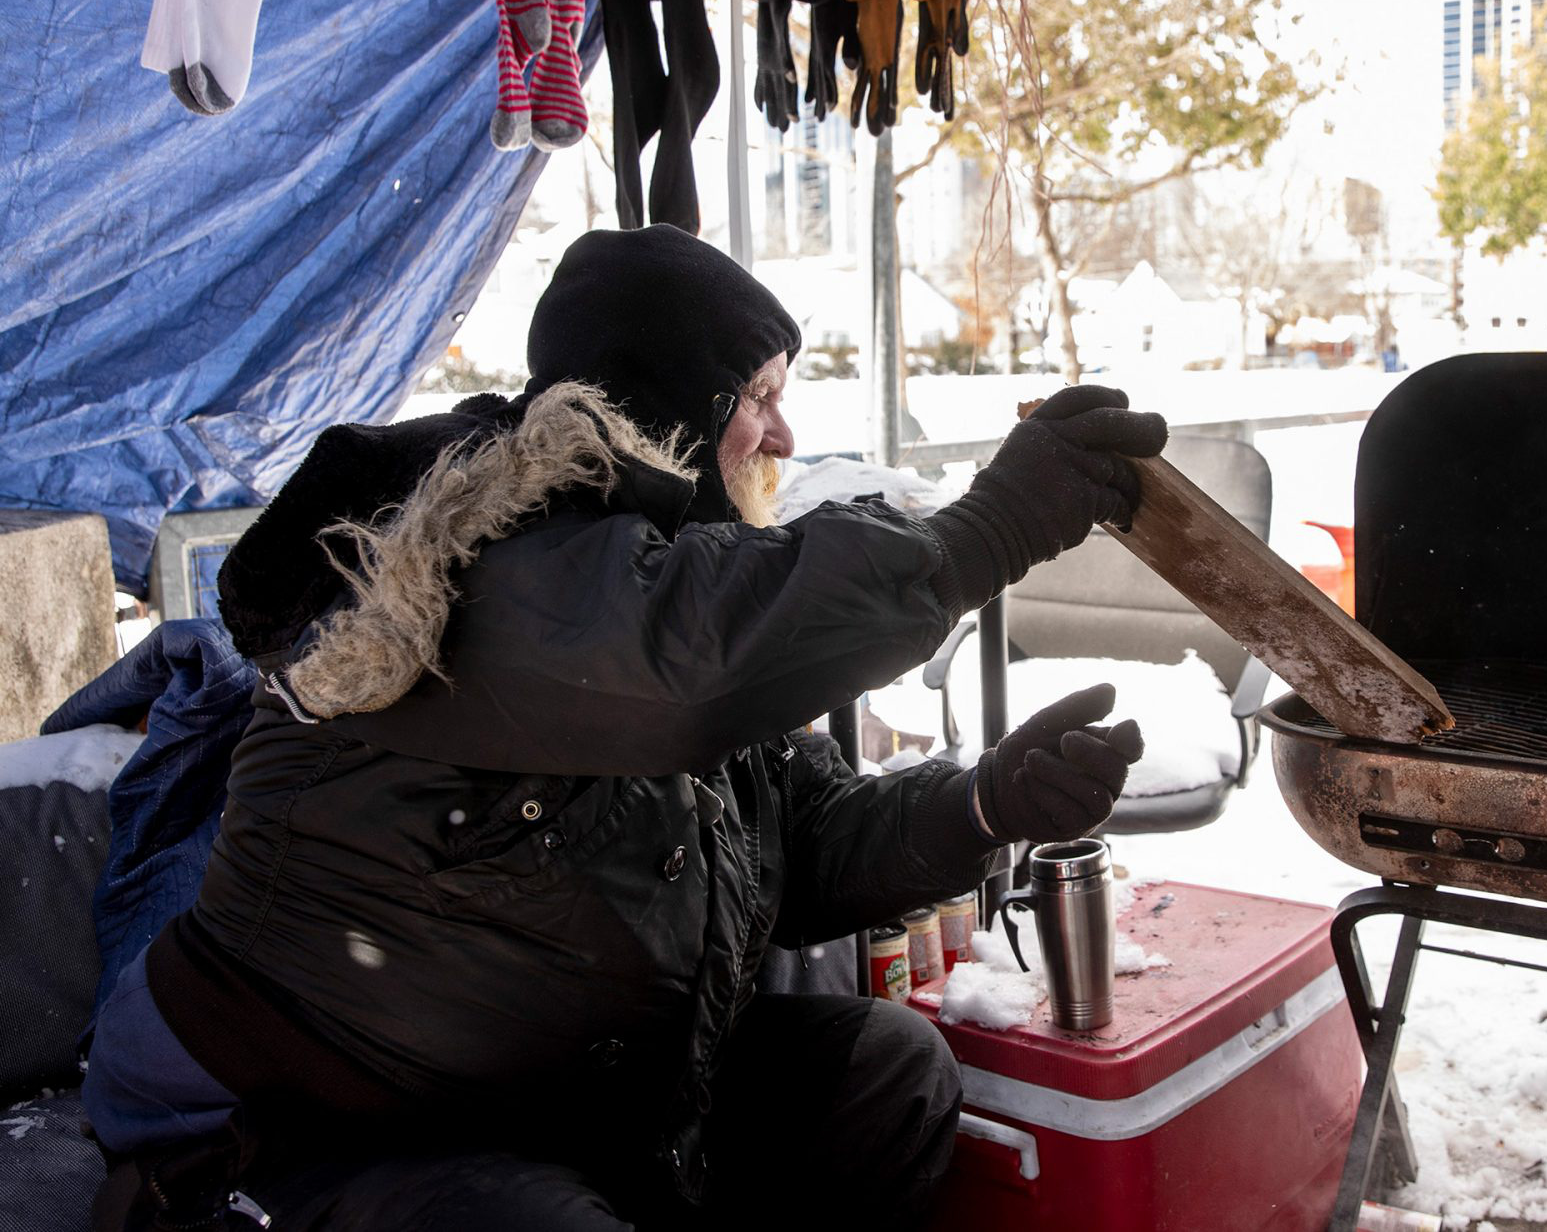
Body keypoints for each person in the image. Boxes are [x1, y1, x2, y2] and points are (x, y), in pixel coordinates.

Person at [83, 225, 1168, 1231]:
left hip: (567, 1103)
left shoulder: (660, 566)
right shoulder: (460, 557)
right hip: (310, 1126)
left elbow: (802, 840)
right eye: (756, 394)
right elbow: (684, 663)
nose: (783, 431)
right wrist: (981, 535)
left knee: (880, 1067)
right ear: (672, 408)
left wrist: (983, 801)